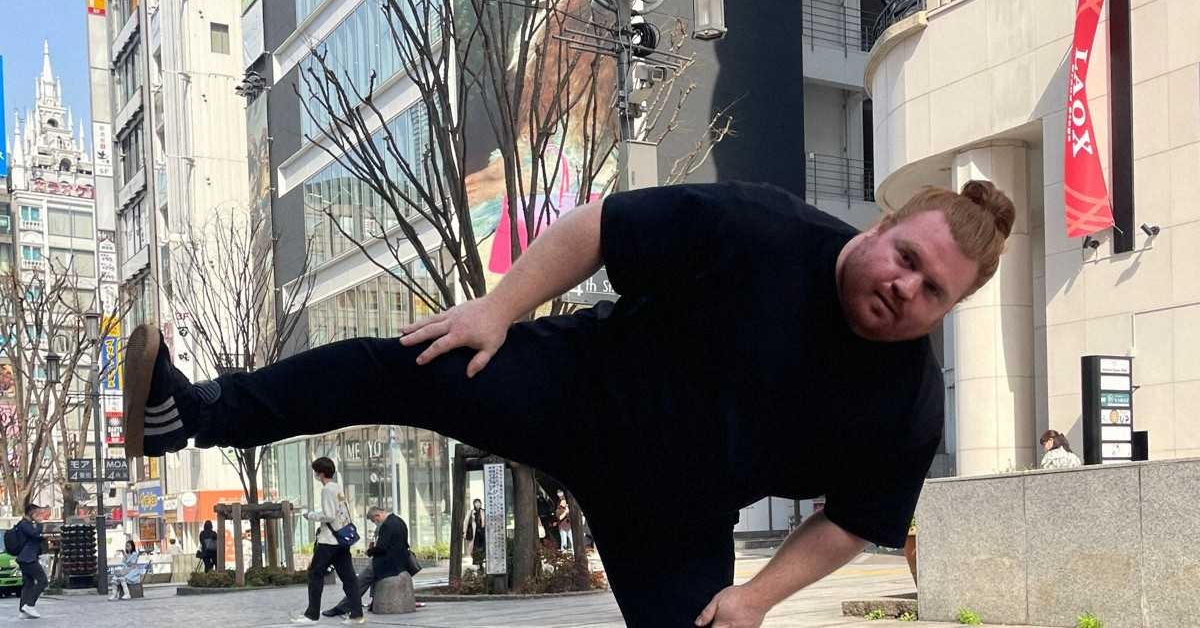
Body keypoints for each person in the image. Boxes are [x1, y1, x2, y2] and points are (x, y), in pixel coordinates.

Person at [122, 180, 1015, 627]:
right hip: (575, 388)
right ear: (881, 228)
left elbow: (854, 521)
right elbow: (599, 225)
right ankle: (190, 414)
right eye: (907, 258)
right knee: (400, 362)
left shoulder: (907, 403)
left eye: (932, 291)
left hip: (675, 514)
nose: (905, 288)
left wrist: (758, 595)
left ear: (948, 310)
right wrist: (498, 309)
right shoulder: (761, 228)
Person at [293, 457, 362, 625]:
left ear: (321, 473)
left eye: (316, 471)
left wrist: (311, 515)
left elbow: (329, 515)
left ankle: (311, 615)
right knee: (349, 578)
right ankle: (356, 615)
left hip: (329, 541)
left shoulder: (326, 490)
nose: (315, 474)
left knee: (315, 575)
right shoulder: (337, 488)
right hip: (341, 540)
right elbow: (341, 512)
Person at [323, 506, 409, 617]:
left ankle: (342, 608)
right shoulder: (399, 521)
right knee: (373, 577)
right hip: (400, 562)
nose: (375, 523)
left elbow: (382, 548)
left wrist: (369, 551)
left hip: (388, 563)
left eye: (374, 521)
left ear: (377, 515)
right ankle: (373, 602)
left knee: (359, 582)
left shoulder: (387, 525)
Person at [13, 503, 48, 619]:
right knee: (43, 581)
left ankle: (23, 610)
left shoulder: (25, 524)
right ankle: (29, 605)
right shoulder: (24, 524)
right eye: (37, 513)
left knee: (28, 584)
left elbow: (35, 537)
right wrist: (39, 524)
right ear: (31, 513)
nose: (39, 516)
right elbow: (34, 534)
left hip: (25, 558)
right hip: (28, 558)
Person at [464, 499, 485, 565]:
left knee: (482, 547)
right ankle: (476, 562)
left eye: (479, 502)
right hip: (474, 533)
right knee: (474, 548)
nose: (478, 504)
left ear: (481, 504)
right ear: (474, 504)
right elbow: (466, 522)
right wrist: (464, 532)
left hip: (482, 532)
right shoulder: (470, 512)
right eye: (476, 503)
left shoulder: (483, 511)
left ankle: (481, 563)